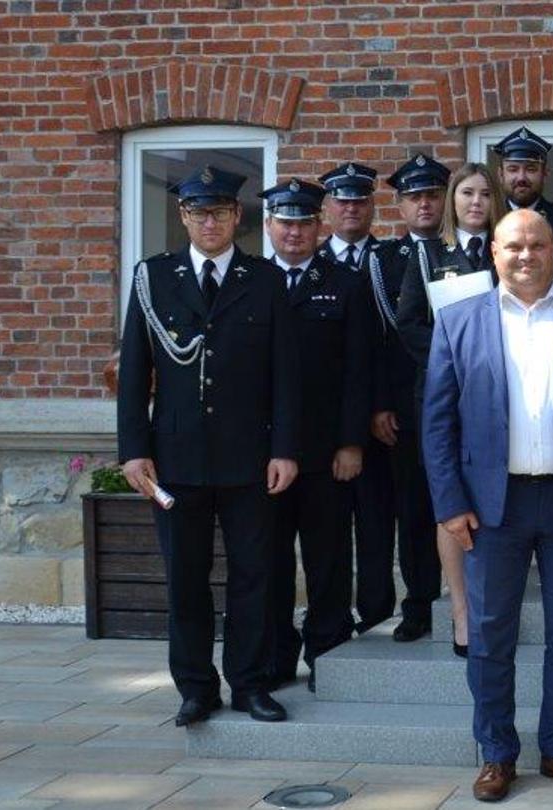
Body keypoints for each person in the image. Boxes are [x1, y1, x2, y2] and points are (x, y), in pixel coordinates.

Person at [421, 208, 553, 802]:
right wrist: (450, 503)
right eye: (512, 247)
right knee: (491, 633)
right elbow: (437, 423)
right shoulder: (457, 321)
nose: (525, 256)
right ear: (493, 253)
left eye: (536, 245)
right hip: (488, 507)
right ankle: (497, 753)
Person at [116, 165, 298, 726]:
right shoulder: (153, 277)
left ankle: (249, 682)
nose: (210, 222)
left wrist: (285, 449)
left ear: (237, 216)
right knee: (186, 579)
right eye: (199, 212)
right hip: (176, 458)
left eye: (219, 212)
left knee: (254, 576)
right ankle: (196, 687)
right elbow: (134, 372)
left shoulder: (264, 279)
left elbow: (285, 376)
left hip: (249, 457)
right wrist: (133, 450)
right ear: (183, 217)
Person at [257, 179, 373, 695]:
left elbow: (358, 371)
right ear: (269, 227)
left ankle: (327, 651)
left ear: (319, 225)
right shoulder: (251, 283)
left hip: (327, 451)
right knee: (269, 560)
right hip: (262, 453)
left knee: (327, 558)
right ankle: (276, 656)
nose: (295, 233)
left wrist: (351, 443)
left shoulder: (345, 283)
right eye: (285, 223)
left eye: (305, 222)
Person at [396, 161, 502, 656]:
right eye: (466, 194)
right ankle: (460, 608)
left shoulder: (507, 250)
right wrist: (453, 360)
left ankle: (493, 600)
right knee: (450, 501)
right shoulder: (428, 255)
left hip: (501, 395)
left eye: (484, 193)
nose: (475, 202)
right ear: (450, 202)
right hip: (444, 394)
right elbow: (409, 322)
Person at [366, 153, 451, 645]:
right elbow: (373, 340)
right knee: (413, 509)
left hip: (460, 398)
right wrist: (379, 403)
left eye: (433, 195)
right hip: (405, 405)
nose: (425, 204)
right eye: (415, 197)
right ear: (399, 205)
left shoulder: (459, 250)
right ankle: (418, 603)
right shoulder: (381, 261)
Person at [315, 161, 396, 633]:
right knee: (328, 530)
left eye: (360, 200)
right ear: (327, 209)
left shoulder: (391, 258)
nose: (351, 208)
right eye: (342, 200)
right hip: (327, 422)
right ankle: (332, 619)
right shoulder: (311, 264)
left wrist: (382, 404)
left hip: (382, 419)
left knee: (376, 523)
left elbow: (392, 346)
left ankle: (377, 614)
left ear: (371, 206)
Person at [493, 125, 553, 224]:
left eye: (531, 169)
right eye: (513, 169)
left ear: (545, 174)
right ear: (501, 174)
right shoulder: (489, 218)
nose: (521, 178)